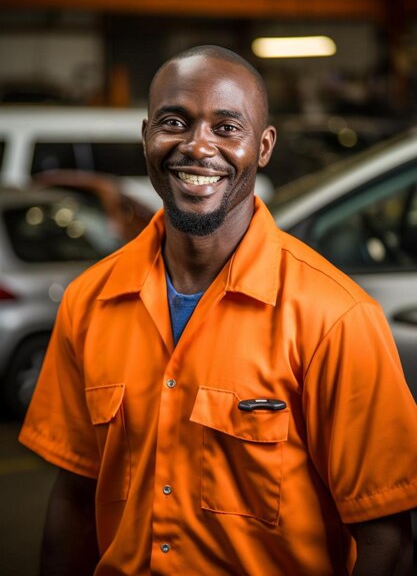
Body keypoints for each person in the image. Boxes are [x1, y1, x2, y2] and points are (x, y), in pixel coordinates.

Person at [20, 45, 417, 576]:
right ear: (146, 137)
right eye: (174, 122)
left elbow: (386, 540)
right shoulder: (88, 301)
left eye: (227, 127)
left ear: (264, 146)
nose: (197, 146)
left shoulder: (336, 317)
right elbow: (73, 500)